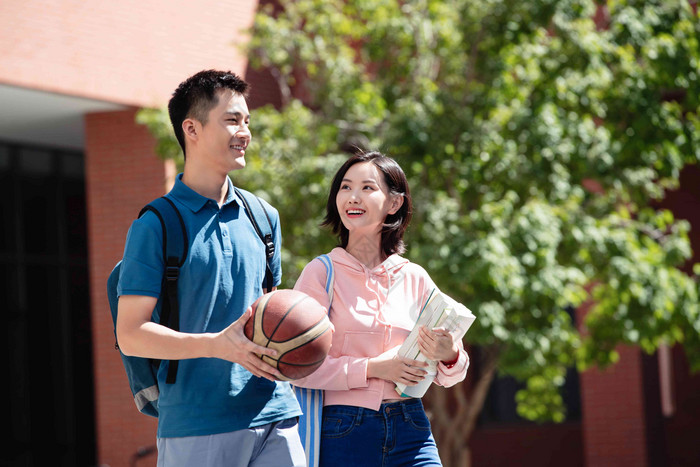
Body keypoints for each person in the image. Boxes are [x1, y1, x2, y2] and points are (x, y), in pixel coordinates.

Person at [116, 70, 304, 467]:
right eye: (232, 120)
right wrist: (215, 345)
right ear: (192, 129)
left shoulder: (263, 216)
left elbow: (271, 317)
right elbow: (130, 333)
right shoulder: (156, 224)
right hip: (195, 424)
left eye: (247, 121)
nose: (245, 132)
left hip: (276, 415)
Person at [292, 151, 469, 466]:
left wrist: (449, 353)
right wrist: (372, 368)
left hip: (412, 426)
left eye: (367, 188)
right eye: (345, 188)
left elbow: (455, 370)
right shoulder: (321, 273)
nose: (352, 197)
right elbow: (297, 367)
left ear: (394, 203)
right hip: (344, 430)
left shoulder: (414, 276)